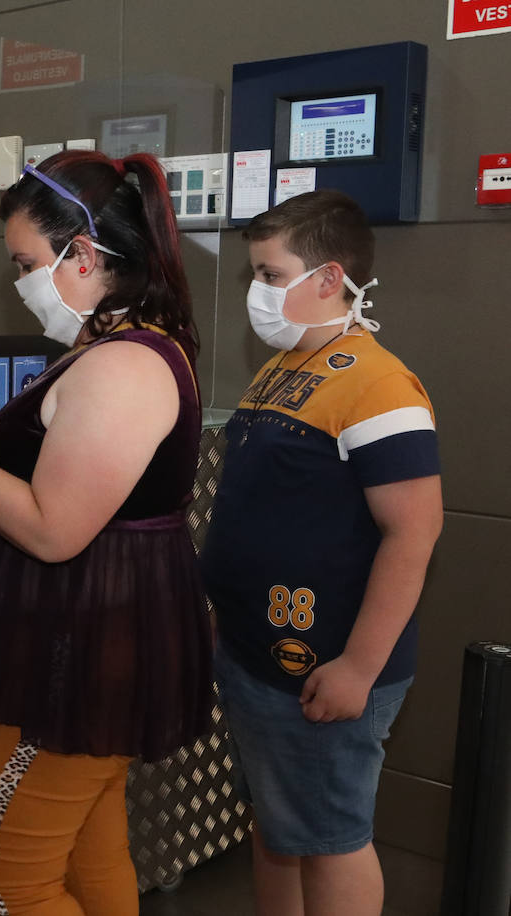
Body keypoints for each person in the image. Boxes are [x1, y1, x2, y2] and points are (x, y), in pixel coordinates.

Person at [0, 150, 212, 915]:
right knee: (92, 857)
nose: (21, 281)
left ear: (84, 253)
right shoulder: (119, 346)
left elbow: (56, 528)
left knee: (4, 874)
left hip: (71, 654)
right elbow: (73, 456)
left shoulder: (123, 365)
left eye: (26, 263)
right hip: (84, 640)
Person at [199, 190, 442, 916]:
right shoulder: (285, 365)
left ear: (329, 278)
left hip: (325, 669)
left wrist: (360, 668)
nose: (258, 292)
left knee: (330, 839)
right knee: (278, 830)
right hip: (257, 657)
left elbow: (414, 532)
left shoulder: (378, 385)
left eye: (271, 275)